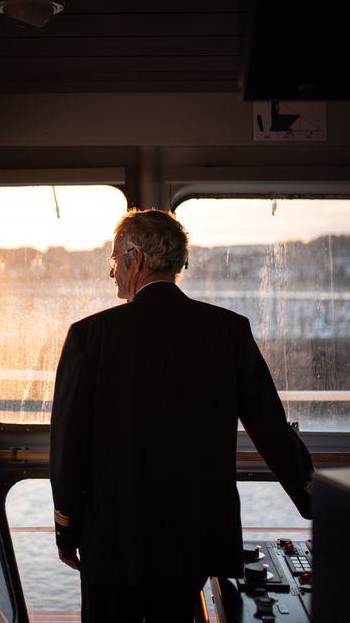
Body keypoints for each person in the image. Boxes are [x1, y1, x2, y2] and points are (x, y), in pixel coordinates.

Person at [50, 208, 314, 622]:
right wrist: (311, 498)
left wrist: (66, 528)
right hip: (194, 539)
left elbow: (68, 446)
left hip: (113, 539)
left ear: (135, 260)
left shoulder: (90, 336)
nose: (112, 273)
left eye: (114, 261)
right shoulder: (229, 331)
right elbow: (271, 430)